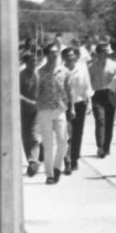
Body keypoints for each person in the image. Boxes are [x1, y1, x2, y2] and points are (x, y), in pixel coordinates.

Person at [35, 42, 74, 185]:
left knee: (63, 142)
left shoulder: (64, 71)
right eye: (51, 52)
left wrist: (73, 107)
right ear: (46, 55)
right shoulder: (39, 72)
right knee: (48, 144)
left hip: (60, 109)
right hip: (44, 110)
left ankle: (58, 167)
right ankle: (50, 174)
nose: (54, 55)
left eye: (56, 52)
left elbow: (69, 91)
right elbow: (35, 93)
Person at [62, 47, 92, 175]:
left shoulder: (82, 69)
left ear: (76, 57)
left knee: (77, 133)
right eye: (68, 55)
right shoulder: (60, 70)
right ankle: (67, 160)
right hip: (64, 105)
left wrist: (89, 102)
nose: (70, 57)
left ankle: (74, 158)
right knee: (65, 133)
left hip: (80, 103)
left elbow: (87, 86)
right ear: (64, 58)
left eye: (72, 55)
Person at [88, 40, 116, 158]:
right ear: (99, 53)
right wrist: (89, 95)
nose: (107, 55)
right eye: (105, 52)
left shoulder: (113, 65)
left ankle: (106, 147)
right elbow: (88, 82)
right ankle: (100, 147)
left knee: (109, 122)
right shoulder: (91, 66)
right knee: (100, 120)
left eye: (108, 53)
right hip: (97, 94)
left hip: (110, 94)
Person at [19, 49, 42, 176]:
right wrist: (29, 102)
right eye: (31, 61)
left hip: (37, 111)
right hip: (23, 111)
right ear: (25, 62)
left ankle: (33, 161)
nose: (34, 63)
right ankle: (31, 159)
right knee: (25, 137)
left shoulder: (39, 75)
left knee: (34, 136)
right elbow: (16, 93)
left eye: (35, 61)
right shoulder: (21, 75)